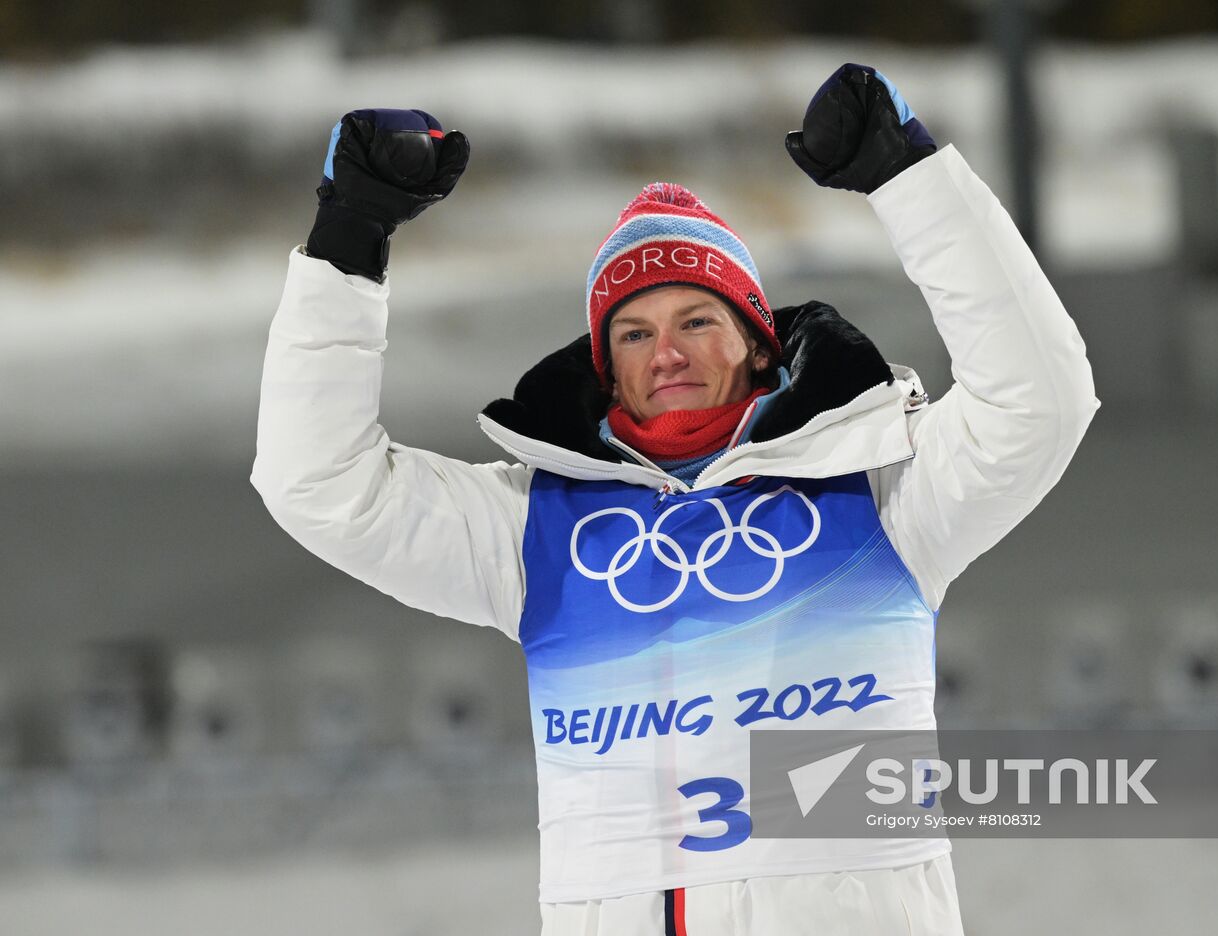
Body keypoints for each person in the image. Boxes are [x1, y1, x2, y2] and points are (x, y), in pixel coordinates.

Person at [253, 63, 1098, 935]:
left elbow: (1041, 401)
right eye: (634, 332)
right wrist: (348, 239)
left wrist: (910, 179)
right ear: (606, 369)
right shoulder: (533, 527)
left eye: (698, 320)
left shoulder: (880, 488)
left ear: (761, 346)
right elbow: (320, 485)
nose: (667, 353)